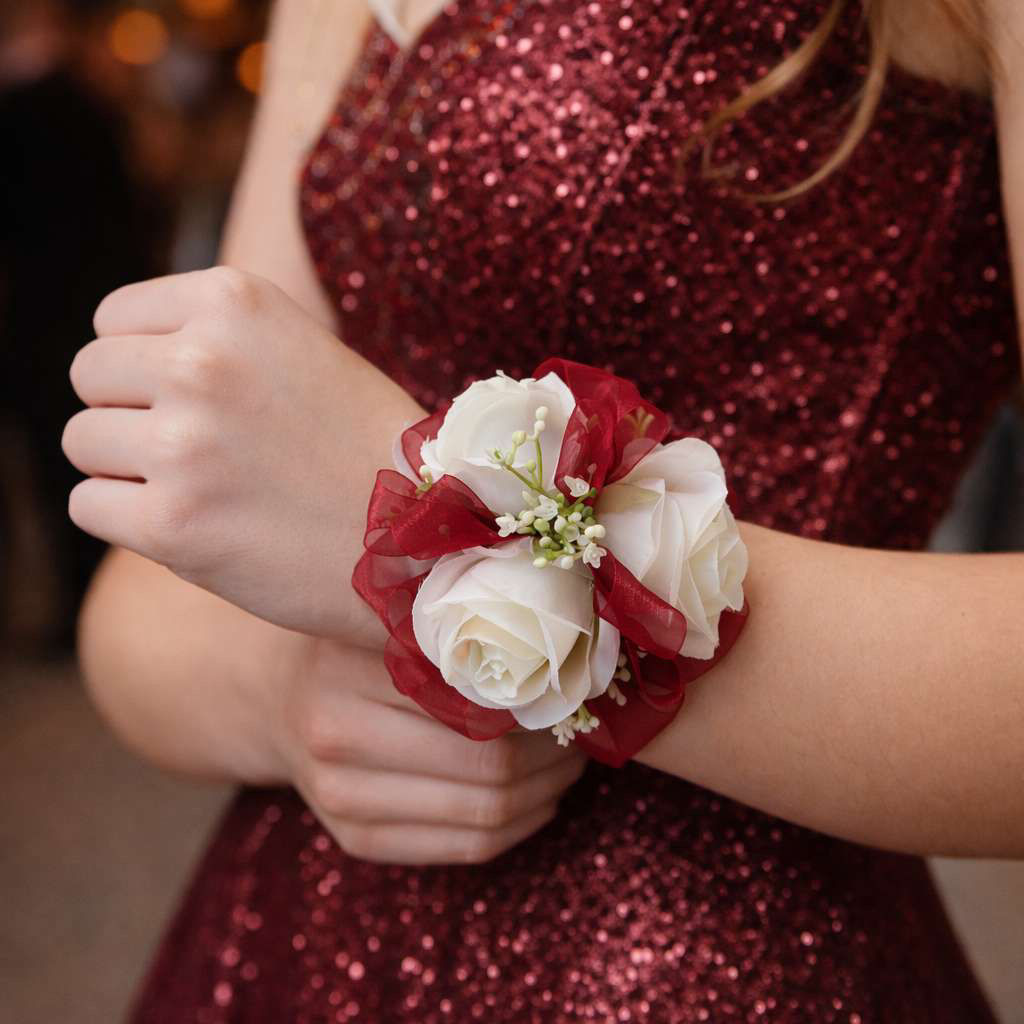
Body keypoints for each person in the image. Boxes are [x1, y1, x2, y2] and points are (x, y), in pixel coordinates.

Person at [62, 0, 1024, 1018]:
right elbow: (140, 613)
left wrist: (433, 522)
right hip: (291, 934)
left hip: (722, 971)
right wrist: (286, 696)